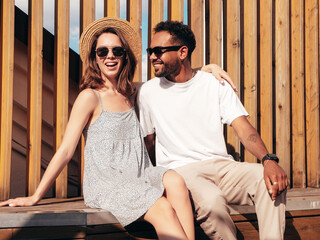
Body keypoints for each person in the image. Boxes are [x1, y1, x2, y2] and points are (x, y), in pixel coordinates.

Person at [0, 17, 195, 240]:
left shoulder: (131, 92)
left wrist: (206, 69)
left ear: (125, 56)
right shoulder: (90, 97)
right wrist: (35, 196)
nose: (109, 56)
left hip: (140, 176)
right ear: (95, 58)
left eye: (116, 51)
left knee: (176, 181)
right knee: (162, 208)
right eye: (102, 52)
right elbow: (65, 150)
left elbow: (174, 78)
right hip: (109, 185)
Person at [138, 20, 288, 240]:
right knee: (212, 201)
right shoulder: (148, 92)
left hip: (223, 166)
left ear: (182, 52)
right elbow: (148, 143)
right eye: (150, 51)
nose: (152, 57)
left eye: (158, 51)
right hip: (182, 171)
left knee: (270, 181)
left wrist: (268, 159)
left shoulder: (214, 83)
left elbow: (243, 127)